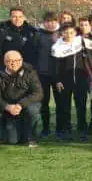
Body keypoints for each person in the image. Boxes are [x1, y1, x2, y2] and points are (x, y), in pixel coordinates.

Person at [0, 51, 43, 148]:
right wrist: (7, 106)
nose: (14, 63)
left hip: (26, 105)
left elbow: (38, 93)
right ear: (5, 62)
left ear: (21, 60)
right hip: (8, 109)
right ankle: (14, 130)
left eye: (17, 60)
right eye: (10, 61)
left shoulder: (30, 72)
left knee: (33, 110)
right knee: (12, 140)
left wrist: (20, 104)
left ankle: (31, 136)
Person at [52, 23, 89, 141]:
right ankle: (66, 130)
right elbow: (55, 66)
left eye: (72, 32)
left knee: (81, 106)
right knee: (65, 107)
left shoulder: (80, 41)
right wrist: (57, 80)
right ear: (61, 33)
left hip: (80, 80)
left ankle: (82, 129)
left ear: (75, 32)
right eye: (66, 32)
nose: (69, 35)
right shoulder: (57, 47)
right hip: (64, 81)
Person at [33, 11, 61, 139]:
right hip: (42, 74)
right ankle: (45, 128)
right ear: (44, 22)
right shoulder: (38, 35)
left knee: (60, 102)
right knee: (44, 103)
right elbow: (33, 53)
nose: (51, 24)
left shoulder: (61, 34)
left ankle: (60, 128)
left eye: (53, 21)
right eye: (48, 21)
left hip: (58, 75)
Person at [0, 6, 37, 71]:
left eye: (20, 17)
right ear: (10, 17)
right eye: (14, 17)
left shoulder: (31, 31)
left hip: (24, 69)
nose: (17, 19)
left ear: (24, 17)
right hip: (4, 69)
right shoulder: (1, 29)